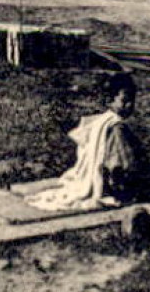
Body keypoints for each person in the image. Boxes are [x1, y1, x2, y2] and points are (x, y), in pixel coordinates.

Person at [26, 74, 143, 212]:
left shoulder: (103, 120)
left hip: (104, 172)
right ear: (110, 101)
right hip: (112, 177)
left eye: (132, 101)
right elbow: (123, 160)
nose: (129, 105)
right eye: (124, 101)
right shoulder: (116, 126)